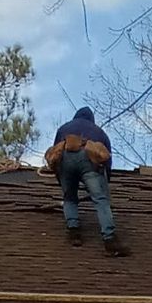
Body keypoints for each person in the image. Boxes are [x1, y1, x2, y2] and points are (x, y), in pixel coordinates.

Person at [44, 108, 122, 253]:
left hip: (66, 156)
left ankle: (74, 232)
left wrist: (62, 180)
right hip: (89, 158)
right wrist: (104, 183)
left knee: (70, 197)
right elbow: (107, 161)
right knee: (100, 199)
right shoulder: (99, 132)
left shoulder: (64, 128)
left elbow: (56, 158)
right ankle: (109, 238)